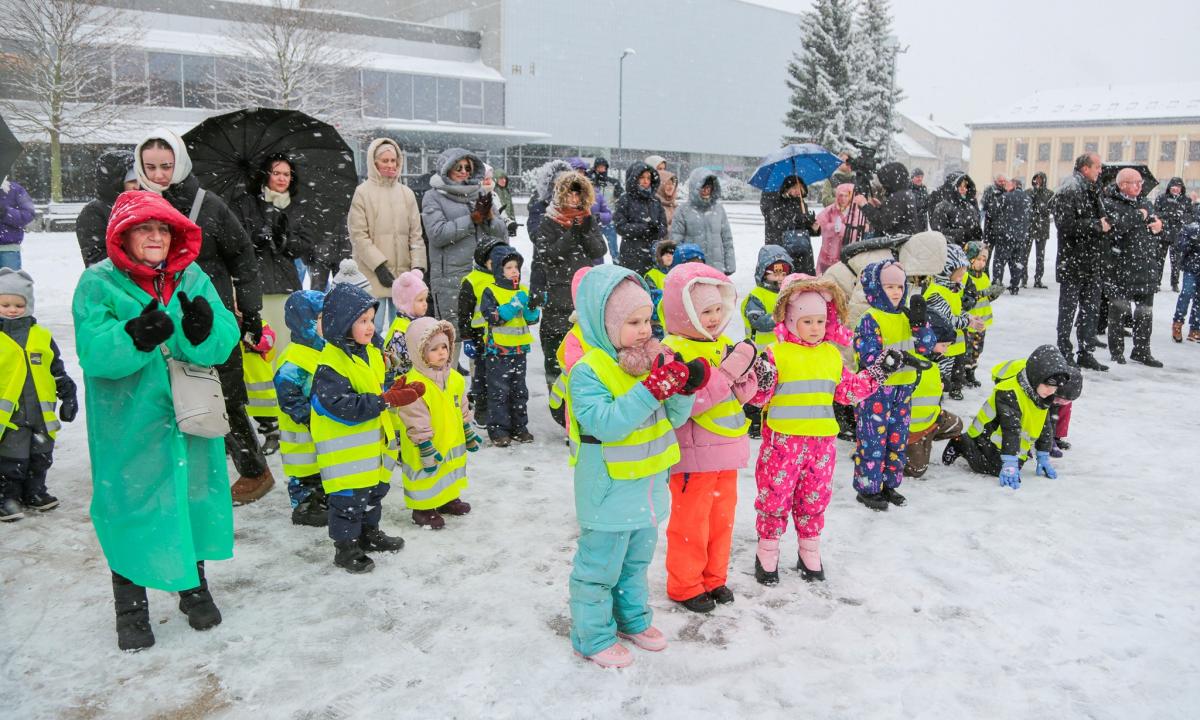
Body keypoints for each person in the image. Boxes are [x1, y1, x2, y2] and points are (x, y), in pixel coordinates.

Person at [73, 189, 241, 651]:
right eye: (144, 229)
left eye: (162, 229)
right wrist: (135, 336)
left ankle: (193, 588)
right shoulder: (98, 283)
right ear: (122, 237)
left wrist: (202, 330)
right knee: (129, 505)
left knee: (192, 499)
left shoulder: (191, 275)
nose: (155, 237)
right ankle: (130, 607)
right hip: (128, 422)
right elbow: (93, 351)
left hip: (188, 414)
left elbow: (222, 338)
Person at [565, 265, 699, 668]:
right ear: (605, 325)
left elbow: (671, 418)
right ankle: (592, 636)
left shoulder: (648, 360)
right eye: (632, 322)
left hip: (648, 488)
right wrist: (652, 388)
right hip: (608, 491)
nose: (644, 330)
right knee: (598, 568)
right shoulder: (588, 371)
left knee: (635, 565)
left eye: (647, 320)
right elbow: (606, 423)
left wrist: (681, 389)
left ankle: (632, 619)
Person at [134, 128, 273, 504]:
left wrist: (251, 310)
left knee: (222, 394)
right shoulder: (134, 204)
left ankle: (254, 470)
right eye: (152, 166)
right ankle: (179, 474)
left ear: (180, 162)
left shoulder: (207, 205)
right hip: (156, 314)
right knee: (166, 393)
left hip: (208, 313)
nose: (160, 174)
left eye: (167, 165)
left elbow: (242, 256)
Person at [749, 274, 903, 584]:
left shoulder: (831, 355)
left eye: (820, 321)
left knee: (814, 498)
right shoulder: (776, 354)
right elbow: (758, 396)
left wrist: (878, 372)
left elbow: (848, 391)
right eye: (807, 321)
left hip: (821, 445)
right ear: (791, 321)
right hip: (783, 442)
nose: (816, 328)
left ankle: (809, 549)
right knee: (775, 497)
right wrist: (756, 377)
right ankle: (767, 550)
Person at [310, 281, 422, 573]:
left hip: (375, 447)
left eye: (372, 319)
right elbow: (342, 406)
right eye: (362, 321)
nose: (370, 326)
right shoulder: (330, 365)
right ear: (342, 324)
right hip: (346, 457)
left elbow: (376, 384)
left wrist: (393, 388)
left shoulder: (371, 352)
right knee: (348, 504)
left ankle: (369, 534)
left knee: (374, 494)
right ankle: (345, 548)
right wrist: (384, 400)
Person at [660, 263, 751, 611]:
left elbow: (739, 397)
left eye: (717, 310)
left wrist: (751, 373)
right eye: (704, 312)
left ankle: (714, 579)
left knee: (721, 521)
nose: (713, 318)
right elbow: (691, 404)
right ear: (684, 313)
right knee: (690, 525)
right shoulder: (673, 352)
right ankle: (685, 585)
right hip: (693, 458)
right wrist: (729, 372)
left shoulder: (723, 344)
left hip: (726, 453)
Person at [851, 259, 936, 511]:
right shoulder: (870, 318)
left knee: (896, 440)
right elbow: (867, 356)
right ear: (876, 288)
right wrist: (892, 360)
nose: (897, 292)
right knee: (873, 441)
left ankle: (889, 484)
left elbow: (926, 348)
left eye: (900, 286)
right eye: (889, 287)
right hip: (876, 390)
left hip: (904, 389)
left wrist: (921, 326)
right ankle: (868, 488)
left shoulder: (907, 317)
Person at [0, 268, 78, 522]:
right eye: (5, 304)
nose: (12, 309)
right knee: (12, 460)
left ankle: (35, 492)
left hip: (41, 415)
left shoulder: (41, 336)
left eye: (18, 304)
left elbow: (56, 369)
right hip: (9, 416)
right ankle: (8, 498)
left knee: (40, 457)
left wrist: (68, 394)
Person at [942, 345, 1075, 489]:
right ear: (1037, 377)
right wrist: (1009, 461)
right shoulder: (1009, 392)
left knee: (1016, 466)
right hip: (986, 434)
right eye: (1048, 385)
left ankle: (1006, 458)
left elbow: (1044, 425)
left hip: (1009, 442)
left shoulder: (1041, 396)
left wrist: (1043, 454)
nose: (1051, 391)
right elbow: (1010, 428)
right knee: (995, 468)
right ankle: (962, 442)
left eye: (1055, 388)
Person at [394, 316, 479, 530]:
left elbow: (461, 405)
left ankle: (447, 498)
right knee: (426, 474)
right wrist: (424, 445)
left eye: (445, 346)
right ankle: (422, 508)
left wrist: (466, 428)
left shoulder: (456, 379)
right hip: (425, 442)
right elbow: (414, 417)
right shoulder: (413, 385)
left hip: (450, 439)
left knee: (448, 469)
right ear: (419, 352)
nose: (442, 352)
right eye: (434, 349)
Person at [422, 148, 508, 355]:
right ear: (446, 169)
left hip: (480, 276)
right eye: (458, 167)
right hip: (450, 277)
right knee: (450, 338)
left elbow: (501, 234)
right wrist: (471, 220)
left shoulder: (480, 194)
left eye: (467, 168)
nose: (463, 171)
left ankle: (479, 386)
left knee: (481, 334)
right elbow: (437, 234)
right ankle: (447, 384)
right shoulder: (433, 197)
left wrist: (488, 218)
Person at [530, 171, 607, 392]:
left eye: (578, 195)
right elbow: (548, 255)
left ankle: (579, 396)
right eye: (570, 194)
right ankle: (557, 398)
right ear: (561, 194)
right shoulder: (548, 221)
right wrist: (572, 233)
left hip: (583, 294)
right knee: (556, 352)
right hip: (557, 295)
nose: (575, 200)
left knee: (581, 351)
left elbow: (599, 250)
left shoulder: (587, 219)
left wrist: (585, 232)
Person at [232, 153, 311, 358]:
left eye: (287, 174)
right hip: (257, 285)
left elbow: (304, 246)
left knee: (285, 342)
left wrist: (285, 239)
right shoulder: (247, 204)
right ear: (266, 175)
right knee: (261, 344)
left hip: (286, 284)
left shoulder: (297, 208)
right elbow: (235, 241)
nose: (282, 178)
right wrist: (255, 240)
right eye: (276, 173)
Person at [348, 138, 426, 334]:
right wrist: (379, 266)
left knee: (402, 334)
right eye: (385, 161)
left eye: (394, 160)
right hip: (373, 276)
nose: (391, 165)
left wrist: (417, 267)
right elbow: (359, 235)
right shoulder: (362, 193)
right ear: (374, 163)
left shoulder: (406, 194)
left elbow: (416, 235)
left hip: (404, 279)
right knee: (372, 331)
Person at [273, 289, 329, 527]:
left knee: (319, 470)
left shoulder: (323, 350)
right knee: (303, 473)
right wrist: (307, 416)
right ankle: (304, 507)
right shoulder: (293, 358)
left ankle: (320, 500)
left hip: (320, 429)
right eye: (318, 319)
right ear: (302, 321)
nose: (325, 323)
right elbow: (288, 394)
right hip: (301, 433)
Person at [1101, 168, 1167, 367]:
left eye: (1140, 182)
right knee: (1118, 310)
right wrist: (1139, 215)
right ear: (1122, 185)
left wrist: (1159, 227)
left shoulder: (1146, 202)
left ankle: (1141, 350)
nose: (1139, 186)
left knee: (1145, 313)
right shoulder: (1110, 203)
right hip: (1120, 266)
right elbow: (1116, 227)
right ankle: (1117, 352)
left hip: (1146, 265)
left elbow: (1157, 226)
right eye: (1134, 182)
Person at [1051, 152, 1111, 371]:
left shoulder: (1093, 189)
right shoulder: (1069, 189)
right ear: (1085, 168)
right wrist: (1096, 225)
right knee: (1068, 309)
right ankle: (1063, 351)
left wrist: (1104, 223)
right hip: (1074, 261)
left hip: (1092, 261)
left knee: (1090, 309)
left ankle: (1086, 352)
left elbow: (1100, 218)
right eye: (1097, 166)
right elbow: (1065, 225)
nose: (1100, 170)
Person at [479, 244, 540, 446]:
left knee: (519, 391)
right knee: (499, 392)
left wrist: (532, 306)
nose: (514, 271)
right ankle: (499, 431)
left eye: (516, 267)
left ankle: (519, 427)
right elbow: (493, 317)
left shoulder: (523, 290)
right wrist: (513, 305)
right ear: (498, 270)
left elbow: (531, 320)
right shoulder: (491, 291)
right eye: (509, 267)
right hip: (498, 351)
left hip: (519, 350)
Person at [457, 237, 509, 427]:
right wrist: (467, 337)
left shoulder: (505, 279)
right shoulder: (472, 281)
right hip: (480, 338)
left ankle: (501, 409)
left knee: (500, 377)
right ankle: (481, 409)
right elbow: (464, 312)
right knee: (482, 375)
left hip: (502, 337)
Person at [903, 313, 963, 479]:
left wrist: (941, 384)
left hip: (931, 419)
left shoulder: (932, 363)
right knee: (917, 470)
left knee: (957, 425)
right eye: (943, 345)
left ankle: (928, 438)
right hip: (911, 429)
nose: (946, 351)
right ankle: (894, 450)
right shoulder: (912, 365)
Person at [741, 245, 792, 439]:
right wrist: (780, 317)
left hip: (782, 352)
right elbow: (759, 322)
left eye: (783, 272)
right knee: (758, 387)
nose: (779, 278)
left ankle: (772, 418)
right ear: (764, 274)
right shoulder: (757, 296)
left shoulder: (788, 293)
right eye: (775, 273)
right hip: (760, 352)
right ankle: (753, 422)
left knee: (777, 387)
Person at [924, 244, 986, 400]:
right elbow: (948, 320)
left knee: (946, 379)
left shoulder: (951, 289)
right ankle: (933, 403)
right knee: (938, 379)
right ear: (947, 271)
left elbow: (956, 312)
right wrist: (969, 322)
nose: (961, 277)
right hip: (940, 348)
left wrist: (969, 317)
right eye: (958, 274)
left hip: (952, 347)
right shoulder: (936, 292)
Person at [76, 149, 138, 267]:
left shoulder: (139, 205)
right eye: (132, 181)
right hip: (114, 281)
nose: (137, 185)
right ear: (117, 181)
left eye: (140, 179)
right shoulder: (94, 212)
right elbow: (96, 259)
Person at [671, 169, 735, 275]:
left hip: (716, 269)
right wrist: (678, 265)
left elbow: (727, 239)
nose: (706, 190)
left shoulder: (719, 209)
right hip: (692, 268)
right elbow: (676, 241)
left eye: (708, 187)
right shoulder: (683, 211)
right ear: (694, 188)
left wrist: (729, 264)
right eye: (702, 187)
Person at [614, 161, 669, 276]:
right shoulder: (625, 200)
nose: (646, 181)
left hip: (653, 254)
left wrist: (656, 230)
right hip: (631, 255)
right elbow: (620, 227)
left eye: (648, 178)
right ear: (634, 179)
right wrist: (644, 228)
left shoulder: (655, 201)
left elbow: (663, 226)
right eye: (642, 177)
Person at [963, 241, 1004, 387]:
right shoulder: (966, 277)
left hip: (982, 323)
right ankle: (964, 373)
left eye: (984, 260)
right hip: (969, 324)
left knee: (977, 350)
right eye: (979, 259)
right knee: (966, 351)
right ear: (970, 259)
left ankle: (972, 371)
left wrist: (994, 294)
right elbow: (968, 299)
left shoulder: (985, 277)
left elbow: (985, 299)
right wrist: (983, 293)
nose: (981, 263)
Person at [761, 176, 819, 275]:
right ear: (787, 188)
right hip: (784, 249)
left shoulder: (801, 203)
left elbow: (803, 230)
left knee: (804, 279)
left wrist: (813, 228)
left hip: (803, 250)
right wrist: (798, 219)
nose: (798, 191)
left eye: (800, 187)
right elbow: (778, 224)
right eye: (794, 187)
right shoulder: (777, 203)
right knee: (788, 279)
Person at [853, 161, 923, 237]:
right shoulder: (904, 194)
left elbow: (883, 223)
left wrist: (865, 206)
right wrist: (881, 207)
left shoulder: (899, 197)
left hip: (897, 244)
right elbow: (892, 218)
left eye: (885, 182)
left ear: (891, 180)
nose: (884, 185)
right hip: (902, 241)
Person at [383, 270, 429, 377]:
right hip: (399, 380)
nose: (425, 304)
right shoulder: (401, 328)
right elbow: (402, 357)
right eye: (420, 300)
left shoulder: (416, 322)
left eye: (425, 299)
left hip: (412, 377)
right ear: (405, 302)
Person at [1154, 177, 1193, 292]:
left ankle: (1174, 283)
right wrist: (1167, 215)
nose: (1175, 189)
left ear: (1182, 189)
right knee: (1159, 260)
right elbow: (1155, 212)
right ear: (1169, 188)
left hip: (1178, 235)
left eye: (1178, 187)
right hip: (1163, 234)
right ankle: (1156, 282)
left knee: (1176, 261)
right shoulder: (1161, 198)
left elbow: (1190, 217)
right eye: (1173, 187)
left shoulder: (1186, 200)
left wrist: (1180, 216)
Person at [993, 178, 1031, 294]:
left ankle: (997, 284)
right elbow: (1030, 216)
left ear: (1014, 185)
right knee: (1017, 261)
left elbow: (994, 211)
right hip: (1021, 235)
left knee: (1000, 260)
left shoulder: (1005, 197)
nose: (1006, 186)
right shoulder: (1027, 198)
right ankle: (1015, 285)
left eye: (1008, 184)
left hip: (1005, 235)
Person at [815, 182, 863, 273]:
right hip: (828, 253)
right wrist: (832, 227)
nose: (843, 199)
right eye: (841, 195)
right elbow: (820, 224)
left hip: (846, 252)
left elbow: (855, 232)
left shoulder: (855, 212)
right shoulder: (831, 210)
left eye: (846, 196)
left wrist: (842, 229)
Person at [930, 172, 982, 249]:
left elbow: (976, 229)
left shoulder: (970, 207)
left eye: (965, 186)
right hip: (950, 251)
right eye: (960, 186)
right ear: (953, 187)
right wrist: (961, 233)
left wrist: (977, 234)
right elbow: (938, 232)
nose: (963, 189)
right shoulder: (943, 207)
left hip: (968, 252)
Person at [526, 159, 574, 239]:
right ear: (551, 184)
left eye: (567, 182)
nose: (564, 187)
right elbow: (536, 236)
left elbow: (598, 246)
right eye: (560, 182)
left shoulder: (577, 207)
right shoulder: (540, 207)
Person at [589, 157, 623, 258]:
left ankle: (617, 266)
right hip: (594, 221)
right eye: (599, 167)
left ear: (606, 168)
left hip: (609, 221)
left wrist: (615, 215)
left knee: (614, 250)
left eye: (603, 167)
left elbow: (620, 200)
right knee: (596, 249)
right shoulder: (590, 183)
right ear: (595, 169)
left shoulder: (613, 183)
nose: (601, 170)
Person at [1173, 212, 1200, 342]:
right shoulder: (1191, 228)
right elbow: (1179, 246)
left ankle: (1195, 328)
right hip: (1192, 268)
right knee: (1186, 294)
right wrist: (1192, 241)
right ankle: (1177, 323)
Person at [0, 176, 35, 271]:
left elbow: (29, 214)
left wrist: (5, 212)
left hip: (8, 250)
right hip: (8, 250)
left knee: (10, 283)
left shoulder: (16, 190)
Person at [1026, 172, 1054, 288]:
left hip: (1042, 228)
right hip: (1029, 227)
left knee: (1040, 256)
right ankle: (1023, 278)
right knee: (1024, 255)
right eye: (1036, 179)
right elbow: (1026, 207)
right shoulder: (1029, 192)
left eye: (1040, 179)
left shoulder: (1049, 194)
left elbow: (1051, 208)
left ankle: (1038, 279)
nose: (1038, 181)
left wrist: (1043, 209)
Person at [980, 174, 1008, 249]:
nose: (1002, 183)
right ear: (995, 181)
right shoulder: (990, 190)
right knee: (987, 250)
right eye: (1000, 181)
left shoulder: (1007, 192)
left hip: (1003, 229)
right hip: (990, 226)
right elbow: (985, 205)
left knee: (1000, 254)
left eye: (1004, 181)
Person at [491, 169, 517, 234]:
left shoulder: (506, 191)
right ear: (496, 179)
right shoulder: (493, 192)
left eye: (505, 178)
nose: (504, 180)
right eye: (501, 178)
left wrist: (512, 221)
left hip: (508, 223)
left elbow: (511, 209)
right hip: (498, 224)